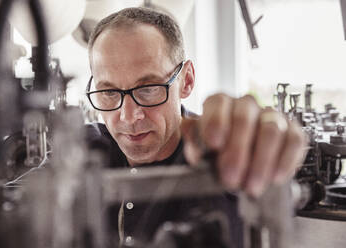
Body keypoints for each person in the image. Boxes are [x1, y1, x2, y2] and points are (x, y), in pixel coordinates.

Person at [85, 7, 306, 247]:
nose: (128, 117)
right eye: (108, 92)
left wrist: (259, 145)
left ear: (186, 80)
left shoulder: (217, 155)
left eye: (147, 89)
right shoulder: (83, 151)